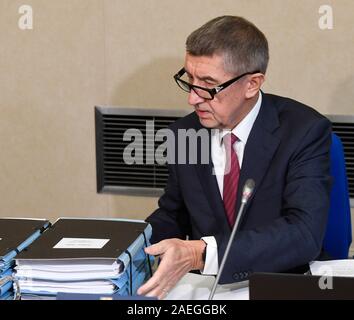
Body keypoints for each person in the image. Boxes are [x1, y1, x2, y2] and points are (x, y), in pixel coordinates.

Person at [137, 15, 332, 299]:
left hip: (282, 282)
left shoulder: (304, 131)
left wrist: (200, 253)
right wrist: (131, 245)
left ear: (252, 84)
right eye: (189, 79)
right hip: (208, 288)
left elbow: (304, 234)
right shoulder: (184, 133)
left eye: (208, 84)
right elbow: (174, 213)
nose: (192, 98)